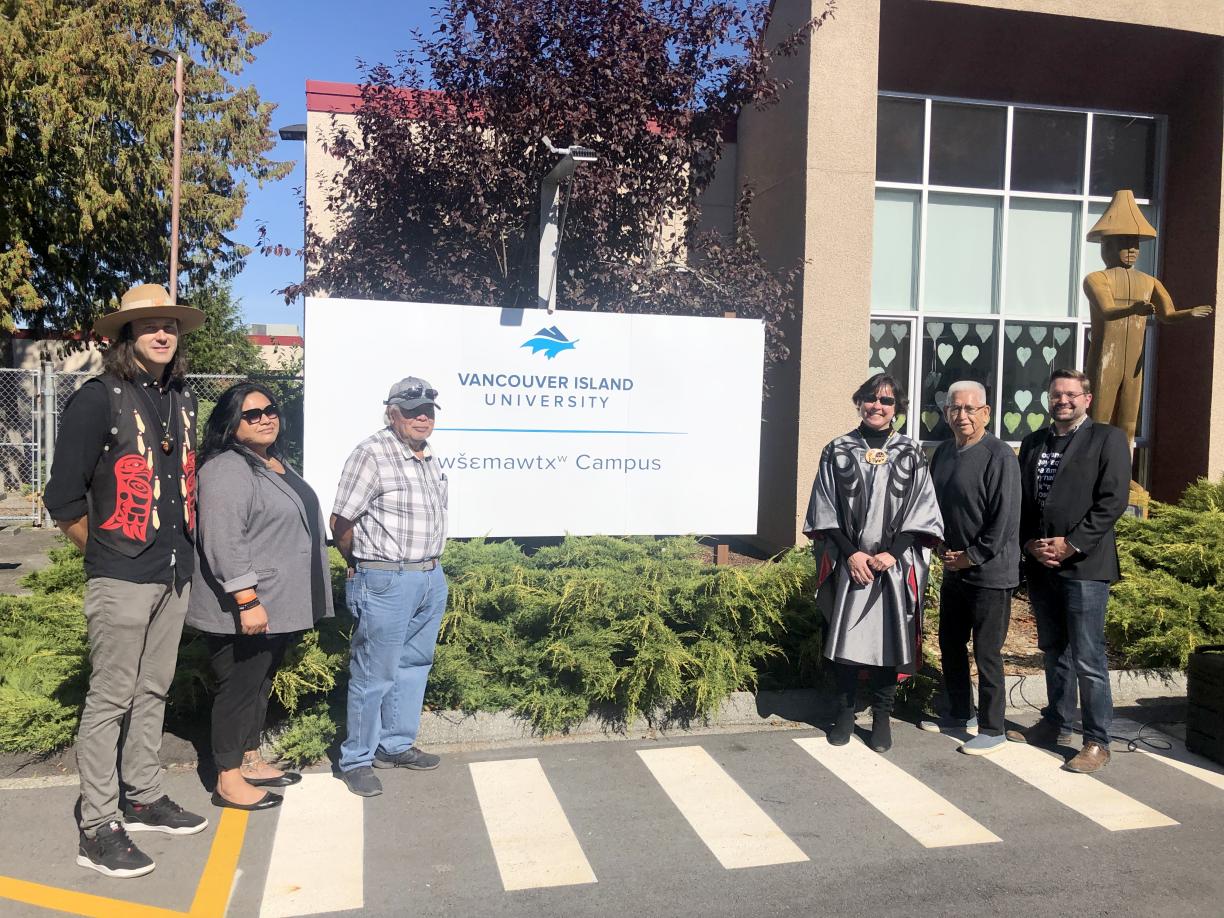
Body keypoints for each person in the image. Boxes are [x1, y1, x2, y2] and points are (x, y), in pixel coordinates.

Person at [44, 283, 208, 878]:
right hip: (122, 575)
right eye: (148, 326)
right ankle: (97, 825)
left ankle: (141, 794)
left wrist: (174, 559)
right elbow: (63, 501)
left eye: (169, 325)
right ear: (125, 337)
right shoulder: (98, 399)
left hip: (173, 574)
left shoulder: (183, 401)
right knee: (111, 697)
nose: (162, 334)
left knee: (153, 690)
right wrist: (113, 554)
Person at [186, 383, 334, 811]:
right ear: (231, 424)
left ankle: (249, 759)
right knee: (239, 688)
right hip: (248, 606)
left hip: (279, 602)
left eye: (270, 410)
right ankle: (227, 780)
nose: (266, 418)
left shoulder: (270, 463)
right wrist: (247, 600)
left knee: (258, 683)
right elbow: (223, 541)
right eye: (252, 414)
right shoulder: (227, 468)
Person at [803, 374, 943, 753]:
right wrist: (852, 554)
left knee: (888, 643)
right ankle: (845, 714)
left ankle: (882, 717)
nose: (877, 407)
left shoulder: (911, 452)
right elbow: (824, 510)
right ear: (859, 402)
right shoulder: (837, 449)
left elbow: (924, 511)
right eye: (870, 399)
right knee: (846, 641)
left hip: (891, 565)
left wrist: (892, 553)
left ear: (896, 407)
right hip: (852, 564)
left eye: (885, 401)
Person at [1008, 369, 1131, 774]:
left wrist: (1072, 543)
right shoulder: (1033, 442)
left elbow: (1112, 500)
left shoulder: (1107, 439)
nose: (1063, 400)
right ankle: (1055, 722)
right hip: (1042, 565)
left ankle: (1097, 740)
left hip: (1084, 567)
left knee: (1088, 656)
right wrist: (1030, 543)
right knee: (1053, 650)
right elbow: (1024, 502)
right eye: (1056, 394)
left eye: (1071, 394)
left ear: (1087, 399)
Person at [331, 377, 449, 797]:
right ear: (391, 413)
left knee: (414, 665)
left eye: (428, 410)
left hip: (430, 577)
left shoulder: (429, 456)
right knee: (373, 673)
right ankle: (357, 760)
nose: (422, 416)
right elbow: (340, 522)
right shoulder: (371, 454)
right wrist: (362, 565)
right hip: (385, 577)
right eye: (412, 409)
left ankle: (395, 745)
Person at [923, 380, 1021, 755]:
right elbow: (934, 505)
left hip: (990, 572)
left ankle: (993, 727)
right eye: (954, 408)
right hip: (954, 566)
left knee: (987, 651)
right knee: (950, 643)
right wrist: (940, 546)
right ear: (947, 413)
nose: (961, 415)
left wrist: (972, 556)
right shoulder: (945, 452)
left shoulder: (1000, 456)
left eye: (969, 409)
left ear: (986, 413)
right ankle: (959, 712)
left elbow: (1004, 519)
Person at [1083, 189, 1213, 443]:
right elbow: (1107, 310)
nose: (1132, 250)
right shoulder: (1096, 279)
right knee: (1099, 418)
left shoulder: (1149, 281)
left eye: (1135, 244)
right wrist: (1133, 309)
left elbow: (1168, 314)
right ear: (1106, 246)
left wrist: (1188, 314)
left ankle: (1123, 476)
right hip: (1104, 358)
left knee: (1128, 421)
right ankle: (1094, 474)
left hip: (1134, 363)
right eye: (1124, 244)